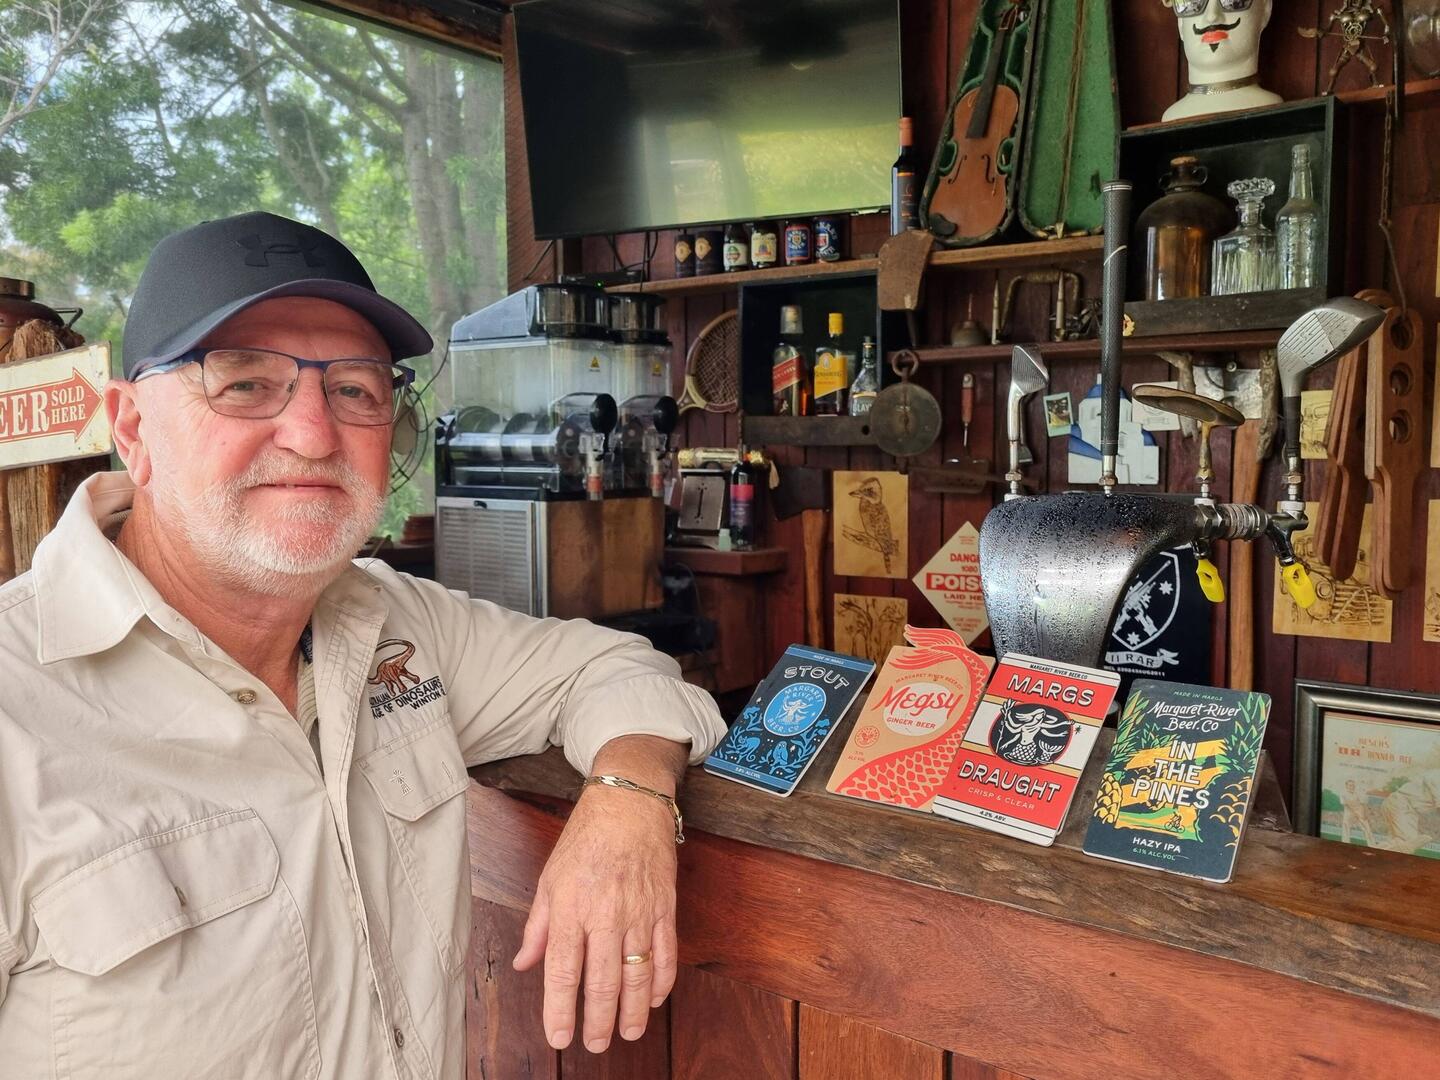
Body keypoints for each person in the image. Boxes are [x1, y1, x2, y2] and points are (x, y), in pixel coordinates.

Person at [0, 211, 727, 1079]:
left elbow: (618, 668)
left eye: (355, 389)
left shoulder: (396, 627)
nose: (313, 437)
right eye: (243, 384)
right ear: (131, 427)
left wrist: (626, 801)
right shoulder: (19, 702)